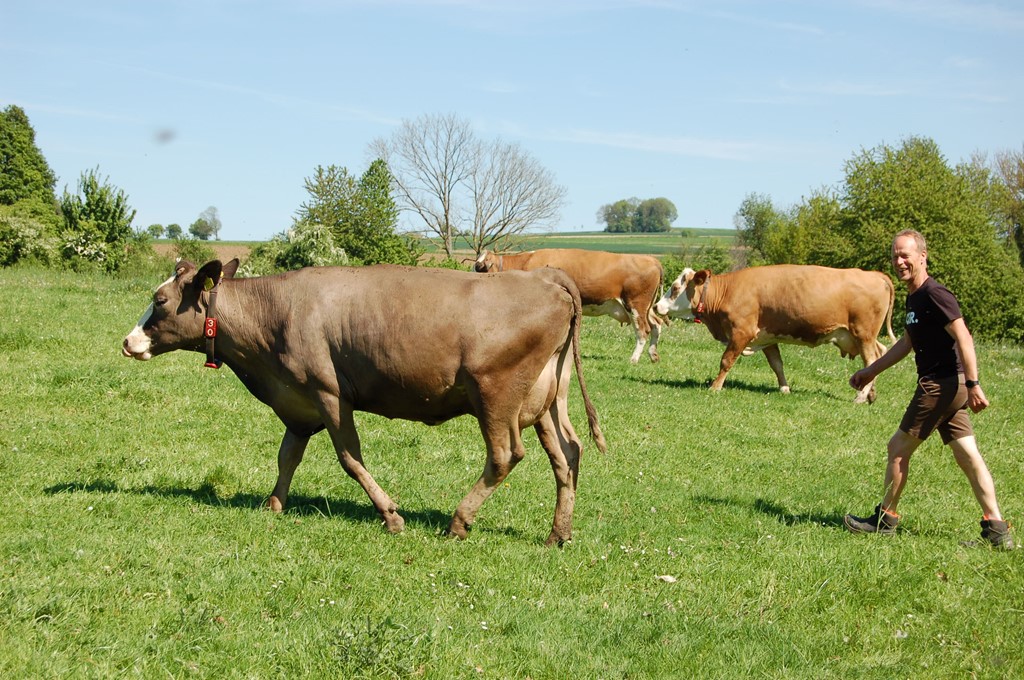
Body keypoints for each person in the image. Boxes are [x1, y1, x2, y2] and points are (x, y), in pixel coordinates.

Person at [844, 229, 1013, 549]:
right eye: (895, 255)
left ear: (922, 257)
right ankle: (997, 530)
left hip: (941, 385)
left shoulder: (936, 294)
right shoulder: (915, 296)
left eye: (905, 255)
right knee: (968, 455)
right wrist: (869, 371)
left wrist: (974, 384)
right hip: (951, 387)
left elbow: (964, 337)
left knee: (897, 449)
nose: (899, 261)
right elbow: (907, 343)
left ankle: (885, 519)